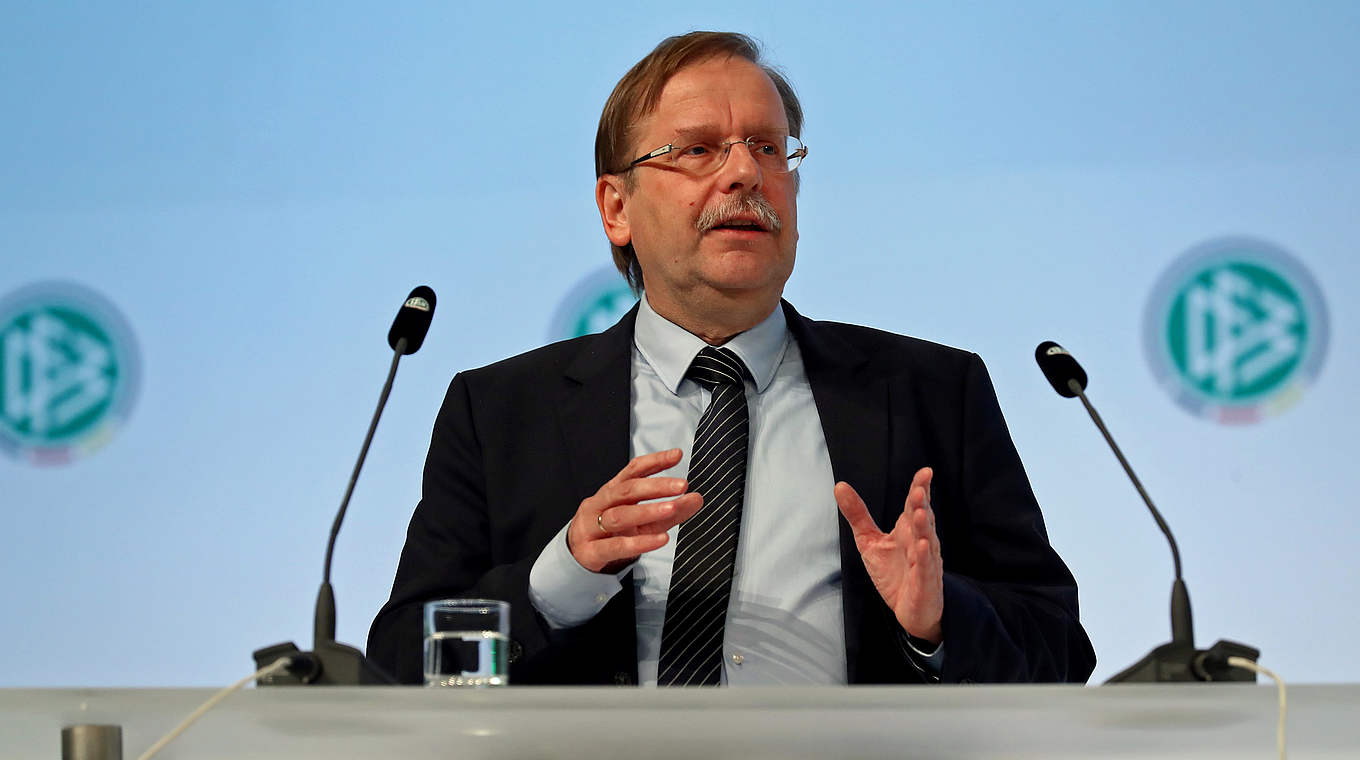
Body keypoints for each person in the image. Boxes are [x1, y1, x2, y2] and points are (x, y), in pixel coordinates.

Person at [368, 31, 1096, 686]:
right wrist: (561, 579)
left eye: (768, 147)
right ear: (616, 208)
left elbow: (1060, 651)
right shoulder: (499, 412)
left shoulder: (932, 392)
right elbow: (404, 662)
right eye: (697, 150)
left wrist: (937, 624)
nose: (745, 173)